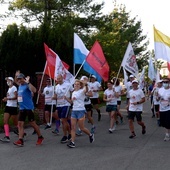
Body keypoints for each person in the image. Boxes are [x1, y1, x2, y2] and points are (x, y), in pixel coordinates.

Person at [13, 71, 44, 146]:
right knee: (20, 124)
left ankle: (40, 137)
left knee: (32, 123)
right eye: (18, 79)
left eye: (20, 79)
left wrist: (28, 82)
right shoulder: (20, 85)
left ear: (24, 79)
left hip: (29, 108)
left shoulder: (27, 85)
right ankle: (20, 140)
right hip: (22, 108)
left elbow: (34, 90)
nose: (19, 80)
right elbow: (15, 81)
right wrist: (15, 75)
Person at [66, 79, 95, 148]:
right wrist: (66, 99)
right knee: (73, 128)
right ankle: (72, 142)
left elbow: (86, 90)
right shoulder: (73, 93)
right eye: (75, 84)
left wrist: (86, 84)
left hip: (81, 111)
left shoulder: (82, 91)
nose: (76, 85)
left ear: (80, 86)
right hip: (74, 111)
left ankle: (90, 135)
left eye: (78, 84)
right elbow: (72, 102)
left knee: (81, 128)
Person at [53, 74, 73, 143]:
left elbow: (73, 92)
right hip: (59, 105)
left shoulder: (68, 85)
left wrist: (71, 99)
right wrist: (53, 97)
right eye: (57, 79)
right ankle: (70, 133)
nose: (58, 80)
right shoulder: (56, 86)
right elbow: (55, 95)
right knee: (65, 121)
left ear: (62, 78)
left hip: (66, 104)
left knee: (63, 120)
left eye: (59, 78)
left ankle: (65, 136)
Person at [0, 77, 18, 142]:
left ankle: (21, 132)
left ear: (12, 81)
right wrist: (6, 98)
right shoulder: (9, 88)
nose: (7, 81)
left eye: (8, 80)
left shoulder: (14, 88)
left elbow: (16, 97)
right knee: (5, 121)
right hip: (8, 106)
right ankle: (7, 136)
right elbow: (9, 97)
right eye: (7, 80)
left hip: (13, 106)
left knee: (15, 122)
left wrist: (8, 99)